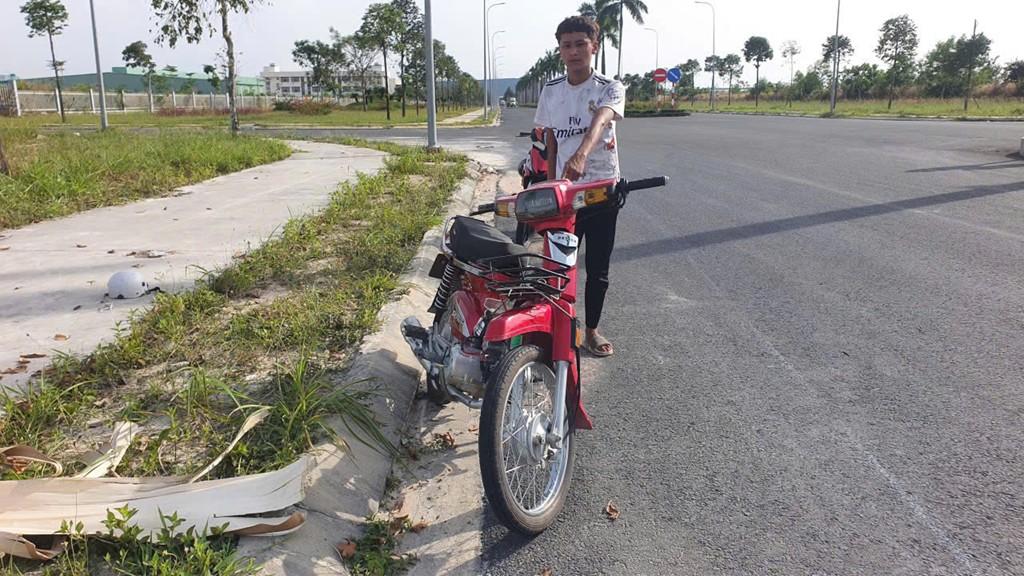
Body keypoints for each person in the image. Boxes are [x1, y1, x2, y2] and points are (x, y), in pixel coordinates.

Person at [533, 15, 625, 357]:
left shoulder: (609, 87)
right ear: (560, 50)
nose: (573, 52)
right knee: (557, 265)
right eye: (566, 45)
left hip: (602, 188)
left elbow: (601, 119)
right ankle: (555, 327)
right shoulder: (551, 90)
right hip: (564, 194)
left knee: (598, 267)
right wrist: (549, 185)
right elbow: (552, 140)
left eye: (580, 44)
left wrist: (582, 155)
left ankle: (591, 331)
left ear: (594, 47)